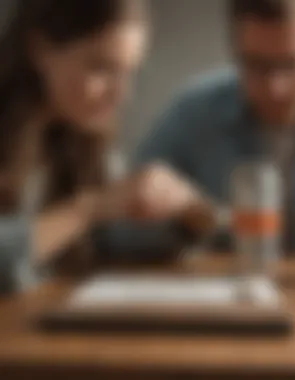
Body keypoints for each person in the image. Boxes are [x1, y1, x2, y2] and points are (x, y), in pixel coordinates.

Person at [133, 0, 295, 253]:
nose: (276, 88)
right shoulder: (194, 113)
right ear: (234, 51)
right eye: (256, 65)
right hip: (232, 288)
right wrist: (176, 220)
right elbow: (115, 234)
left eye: (293, 64)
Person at [0, 0, 212, 294]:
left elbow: (117, 240)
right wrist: (88, 209)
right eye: (101, 68)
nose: (121, 95)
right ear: (40, 49)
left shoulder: (82, 138)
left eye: (128, 72)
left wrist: (187, 214)